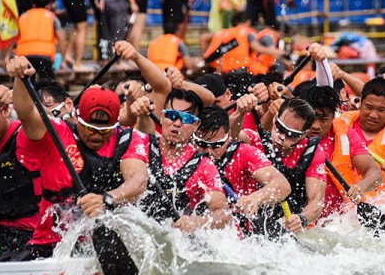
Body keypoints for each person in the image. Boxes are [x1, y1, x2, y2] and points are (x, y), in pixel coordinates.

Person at [7, 56, 149, 260]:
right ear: (76, 117)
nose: (97, 136)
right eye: (90, 129)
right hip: (52, 243)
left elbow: (138, 181)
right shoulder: (56, 133)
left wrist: (106, 199)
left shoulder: (128, 139)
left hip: (104, 243)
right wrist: (21, 79)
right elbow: (26, 113)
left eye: (105, 130)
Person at [131, 89, 232, 231]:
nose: (177, 123)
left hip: (175, 237)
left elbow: (223, 215)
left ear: (196, 125)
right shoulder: (141, 144)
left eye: (186, 118)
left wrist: (197, 222)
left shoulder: (204, 166)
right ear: (161, 117)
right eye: (172, 115)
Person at [192, 105, 291, 236]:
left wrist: (255, 198)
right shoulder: (184, 151)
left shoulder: (244, 153)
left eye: (216, 145)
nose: (208, 152)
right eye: (202, 144)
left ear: (228, 138)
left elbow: (282, 185)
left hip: (239, 237)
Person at [236, 97, 327, 235]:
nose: (281, 137)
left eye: (291, 135)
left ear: (304, 135)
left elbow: (317, 202)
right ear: (274, 119)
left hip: (287, 227)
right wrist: (239, 112)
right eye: (279, 128)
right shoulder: (255, 139)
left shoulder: (312, 152)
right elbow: (232, 136)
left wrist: (301, 219)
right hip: (251, 221)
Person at [300, 85, 382, 217]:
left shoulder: (346, 134)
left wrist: (361, 187)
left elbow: (375, 174)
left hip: (340, 220)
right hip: (303, 216)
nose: (316, 125)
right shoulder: (291, 135)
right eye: (312, 117)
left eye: (323, 119)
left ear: (333, 116)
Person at [0, 85, 41, 261]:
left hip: (31, 235)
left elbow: (35, 117)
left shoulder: (26, 135)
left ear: (6, 111)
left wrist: (18, 92)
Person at [204, 11, 282, 75]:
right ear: (245, 22)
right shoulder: (246, 32)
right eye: (249, 24)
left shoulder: (224, 33)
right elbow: (255, 47)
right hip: (240, 70)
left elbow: (204, 38)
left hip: (221, 70)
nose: (250, 26)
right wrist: (275, 51)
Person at [15, 0, 66, 79]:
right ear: (48, 6)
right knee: (47, 86)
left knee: (26, 86)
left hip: (24, 57)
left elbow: (14, 38)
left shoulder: (23, 16)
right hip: (44, 56)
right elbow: (61, 40)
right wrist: (63, 61)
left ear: (33, 5)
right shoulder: (52, 17)